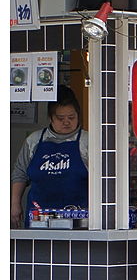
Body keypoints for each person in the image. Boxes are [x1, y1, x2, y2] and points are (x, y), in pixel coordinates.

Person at [11, 88, 89, 227]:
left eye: (71, 117)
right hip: (39, 217)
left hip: (78, 217)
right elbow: (20, 174)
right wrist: (15, 205)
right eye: (60, 118)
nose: (66, 122)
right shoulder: (34, 140)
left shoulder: (87, 141)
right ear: (50, 118)